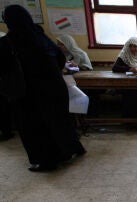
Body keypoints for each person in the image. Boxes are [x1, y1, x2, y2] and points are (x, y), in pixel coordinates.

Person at [0, 5, 86, 171]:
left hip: (29, 93)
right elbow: (60, 58)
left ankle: (47, 161)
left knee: (35, 127)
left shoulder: (8, 42)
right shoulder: (40, 36)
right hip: (55, 88)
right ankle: (72, 149)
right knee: (61, 121)